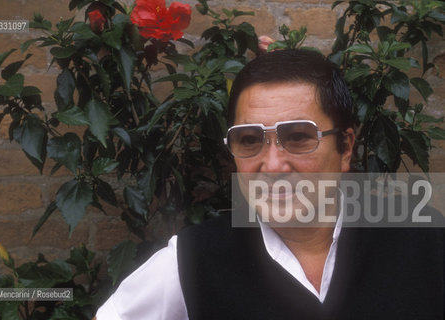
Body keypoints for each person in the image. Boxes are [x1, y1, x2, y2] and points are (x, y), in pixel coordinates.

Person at [95, 49, 444, 319]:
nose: (273, 165)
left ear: (345, 147)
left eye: (298, 137)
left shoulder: (426, 242)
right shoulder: (191, 262)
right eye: (249, 140)